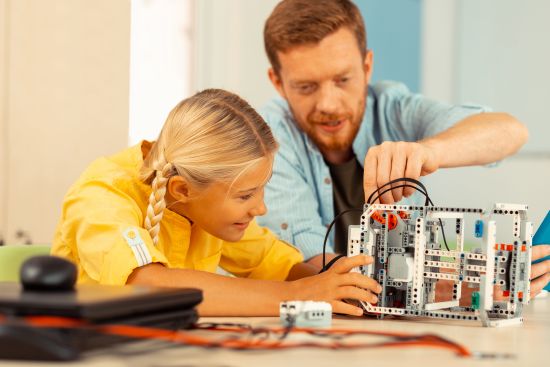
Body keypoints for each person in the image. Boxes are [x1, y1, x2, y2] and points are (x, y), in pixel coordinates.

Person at [258, 0, 550, 298]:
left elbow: (511, 132)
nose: (329, 104)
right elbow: (304, 261)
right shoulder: (265, 139)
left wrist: (430, 151)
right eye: (306, 87)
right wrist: (433, 287)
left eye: (343, 80)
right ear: (278, 83)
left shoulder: (393, 108)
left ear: (367, 66)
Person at [52, 89, 382, 316]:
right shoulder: (103, 195)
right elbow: (148, 283)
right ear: (182, 190)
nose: (260, 208)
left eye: (261, 189)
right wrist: (299, 295)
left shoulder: (207, 206)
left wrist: (336, 287)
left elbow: (275, 263)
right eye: (245, 195)